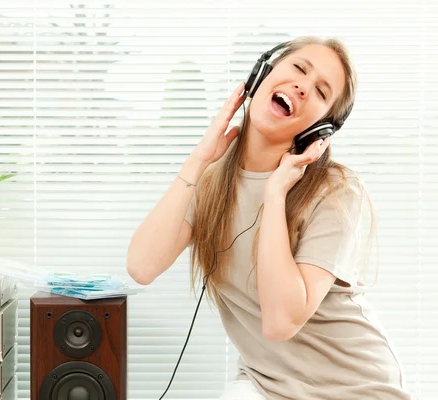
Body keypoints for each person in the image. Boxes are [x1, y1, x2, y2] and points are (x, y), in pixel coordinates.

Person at [126, 36, 411, 400]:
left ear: (321, 130)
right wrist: (198, 159)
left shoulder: (335, 193)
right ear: (262, 74)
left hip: (355, 386)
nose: (302, 87)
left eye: (321, 92)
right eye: (298, 69)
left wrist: (275, 194)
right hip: (266, 384)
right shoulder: (212, 181)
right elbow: (142, 266)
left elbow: (280, 323)